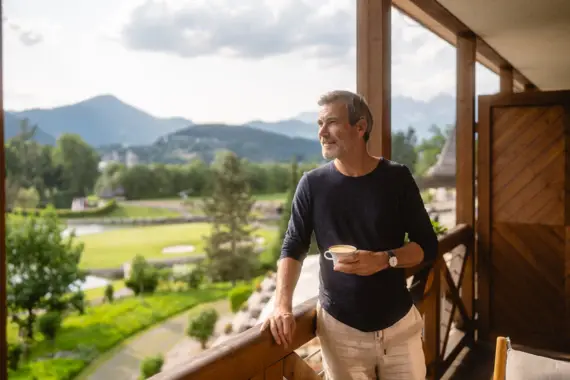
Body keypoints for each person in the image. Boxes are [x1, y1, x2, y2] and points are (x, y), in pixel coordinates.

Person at [261, 90, 438, 379]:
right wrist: (282, 305)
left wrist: (385, 259)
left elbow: (427, 246)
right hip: (340, 334)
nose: (321, 132)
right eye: (319, 124)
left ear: (360, 127)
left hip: (400, 328)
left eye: (331, 122)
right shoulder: (312, 185)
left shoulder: (397, 178)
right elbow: (293, 246)